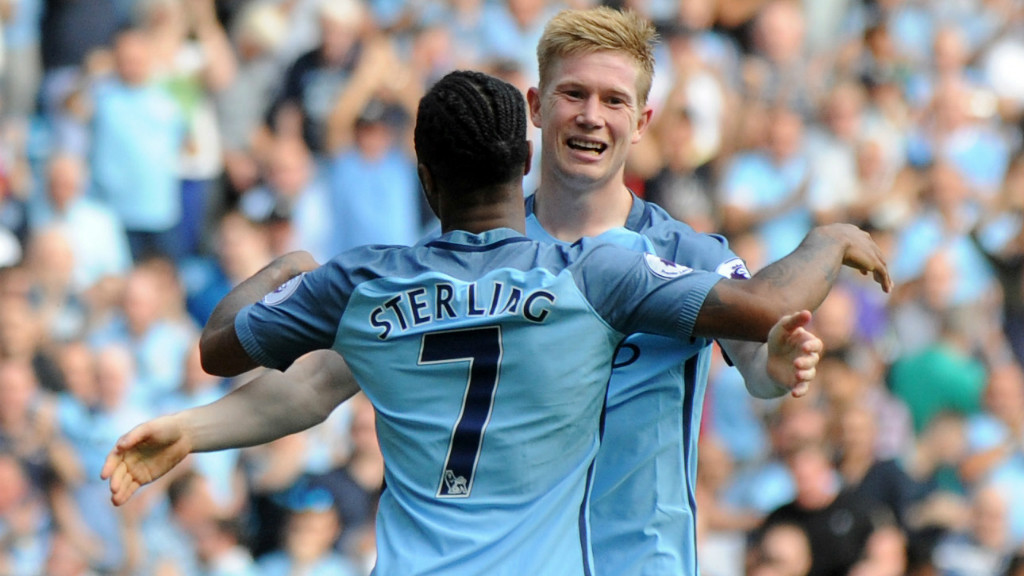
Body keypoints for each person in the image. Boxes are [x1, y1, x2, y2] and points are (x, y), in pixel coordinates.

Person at [102, 69, 844, 575]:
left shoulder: (361, 284)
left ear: (422, 176)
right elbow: (771, 305)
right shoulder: (598, 272)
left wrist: (277, 269)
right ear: (526, 156)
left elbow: (222, 348)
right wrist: (832, 239)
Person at [524, 8, 890, 575]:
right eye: (573, 94)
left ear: (643, 121)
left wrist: (776, 362)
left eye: (614, 100)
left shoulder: (693, 255)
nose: (592, 116)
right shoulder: (483, 253)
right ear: (536, 106)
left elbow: (755, 360)